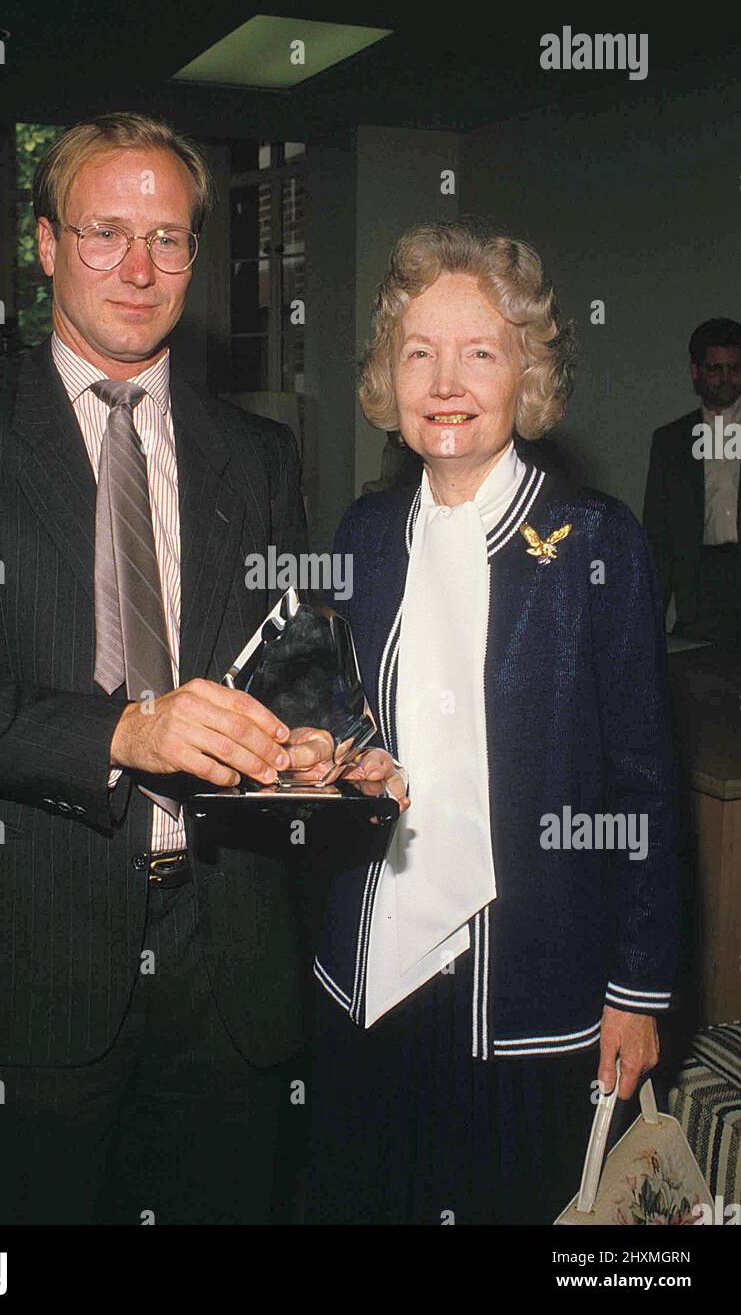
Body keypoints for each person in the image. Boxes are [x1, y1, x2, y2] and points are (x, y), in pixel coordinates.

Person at [0, 112, 374, 1226]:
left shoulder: (259, 454)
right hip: (24, 955)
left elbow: (284, 680)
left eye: (168, 238)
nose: (139, 268)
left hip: (229, 955)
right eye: (105, 233)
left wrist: (321, 747)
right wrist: (123, 732)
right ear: (46, 245)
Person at [308, 218, 679, 1225]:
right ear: (387, 376)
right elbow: (341, 716)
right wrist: (330, 752)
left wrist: (638, 988)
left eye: (479, 353)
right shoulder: (363, 533)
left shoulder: (597, 541)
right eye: (418, 353)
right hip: (371, 970)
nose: (445, 381)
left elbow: (643, 782)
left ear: (528, 375)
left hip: (532, 981)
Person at [643, 317, 741, 644]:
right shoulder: (672, 442)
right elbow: (658, 538)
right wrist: (651, 623)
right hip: (700, 585)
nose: (726, 378)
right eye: (716, 369)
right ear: (695, 371)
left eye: (734, 368)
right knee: (701, 670)